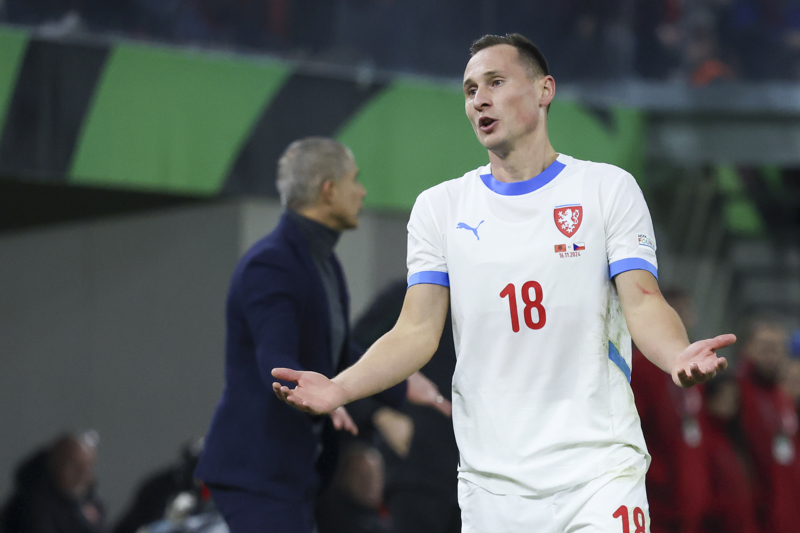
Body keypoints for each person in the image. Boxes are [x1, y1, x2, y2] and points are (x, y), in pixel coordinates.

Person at [272, 35, 734, 532]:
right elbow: (415, 332)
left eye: (495, 82)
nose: (479, 100)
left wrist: (676, 355)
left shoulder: (606, 189)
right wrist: (340, 388)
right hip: (493, 488)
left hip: (598, 474)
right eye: (470, 90)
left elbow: (643, 301)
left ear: (544, 90)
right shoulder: (439, 209)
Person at [194, 137, 447, 533]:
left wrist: (400, 382)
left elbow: (338, 350)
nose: (362, 192)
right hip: (256, 473)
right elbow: (275, 360)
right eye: (354, 180)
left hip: (292, 473)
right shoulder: (270, 263)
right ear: (329, 191)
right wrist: (321, 396)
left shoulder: (322, 261)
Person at [630, 288, 711, 533]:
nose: (683, 320)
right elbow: (633, 430)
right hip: (657, 505)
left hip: (691, 505)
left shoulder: (696, 368)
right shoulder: (640, 367)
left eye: (687, 312)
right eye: (677, 312)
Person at [735, 317, 800, 533]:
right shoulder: (738, 393)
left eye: (777, 348)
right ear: (749, 349)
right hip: (752, 515)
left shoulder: (782, 399)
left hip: (785, 517)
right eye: (765, 347)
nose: (772, 355)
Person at [0, 432, 104, 533]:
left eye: (88, 467)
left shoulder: (90, 507)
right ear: (55, 463)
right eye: (75, 466)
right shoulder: (31, 506)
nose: (82, 474)